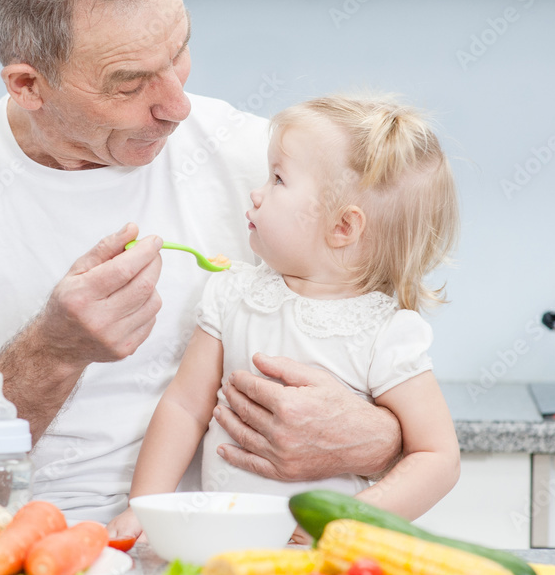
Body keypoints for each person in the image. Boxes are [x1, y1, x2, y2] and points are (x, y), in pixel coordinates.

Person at [0, 0, 404, 524]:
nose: (177, 105)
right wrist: (53, 350)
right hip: (29, 551)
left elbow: (387, 367)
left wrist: (380, 437)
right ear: (27, 85)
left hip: (222, 549)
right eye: (130, 83)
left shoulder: (260, 161)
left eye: (179, 53)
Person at [108, 95, 462, 542]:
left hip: (318, 563)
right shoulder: (232, 294)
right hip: (218, 544)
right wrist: (146, 508)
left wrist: (343, 524)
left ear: (343, 228)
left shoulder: (387, 334)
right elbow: (183, 406)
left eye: (277, 179)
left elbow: (438, 457)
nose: (256, 192)